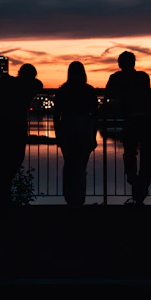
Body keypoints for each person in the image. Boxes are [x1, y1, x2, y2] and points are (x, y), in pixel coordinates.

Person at [0, 63, 43, 208]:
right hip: (14, 126)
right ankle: (3, 199)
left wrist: (7, 79)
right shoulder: (30, 87)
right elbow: (39, 85)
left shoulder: (8, 82)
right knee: (13, 161)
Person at [105, 51, 151, 205]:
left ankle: (135, 184)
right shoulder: (143, 77)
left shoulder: (116, 78)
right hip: (147, 120)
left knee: (130, 154)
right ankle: (141, 189)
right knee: (146, 156)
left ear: (120, 64)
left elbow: (108, 94)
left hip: (130, 120)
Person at [53, 61, 98, 208]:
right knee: (81, 167)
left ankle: (69, 198)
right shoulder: (89, 91)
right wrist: (93, 136)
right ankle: (79, 199)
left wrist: (58, 135)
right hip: (84, 129)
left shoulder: (62, 91)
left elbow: (56, 115)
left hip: (67, 129)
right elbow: (95, 115)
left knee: (69, 165)